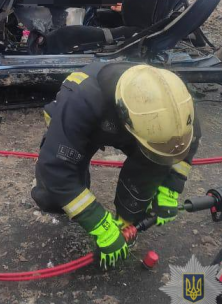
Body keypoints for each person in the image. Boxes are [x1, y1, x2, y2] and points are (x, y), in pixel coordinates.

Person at [31, 63, 200, 270]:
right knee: (54, 197)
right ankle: (73, 203)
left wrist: (170, 188)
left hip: (139, 130)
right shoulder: (82, 98)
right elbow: (56, 169)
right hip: (87, 124)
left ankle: (125, 224)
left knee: (152, 168)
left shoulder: (176, 107)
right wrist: (97, 221)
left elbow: (186, 145)